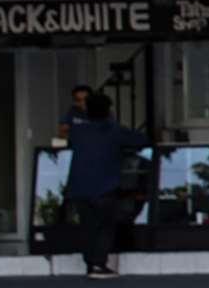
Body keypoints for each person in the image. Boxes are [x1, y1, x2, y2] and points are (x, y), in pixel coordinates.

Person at [58, 89, 148, 277]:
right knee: (105, 226)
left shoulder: (78, 131)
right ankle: (99, 264)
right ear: (108, 111)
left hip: (79, 187)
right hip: (105, 186)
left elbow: (70, 142)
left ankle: (90, 264)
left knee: (88, 227)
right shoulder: (114, 130)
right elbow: (142, 140)